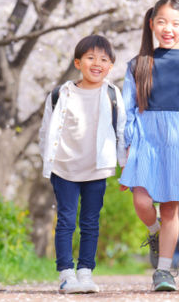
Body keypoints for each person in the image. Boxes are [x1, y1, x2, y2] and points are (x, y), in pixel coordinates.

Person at [118, 0, 179, 291]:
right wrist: (128, 146)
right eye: (161, 22)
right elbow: (127, 107)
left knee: (170, 208)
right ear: (151, 24)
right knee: (142, 201)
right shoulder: (138, 64)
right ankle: (154, 232)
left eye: (175, 23)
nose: (167, 28)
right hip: (145, 136)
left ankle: (164, 271)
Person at [39, 35, 127, 294]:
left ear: (110, 66)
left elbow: (121, 132)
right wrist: (48, 162)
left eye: (103, 59)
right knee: (65, 220)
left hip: (96, 168)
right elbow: (46, 131)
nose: (97, 63)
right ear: (78, 62)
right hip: (64, 168)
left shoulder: (112, 94)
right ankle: (66, 273)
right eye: (90, 58)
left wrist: (125, 169)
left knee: (90, 221)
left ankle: (85, 272)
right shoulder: (60, 94)